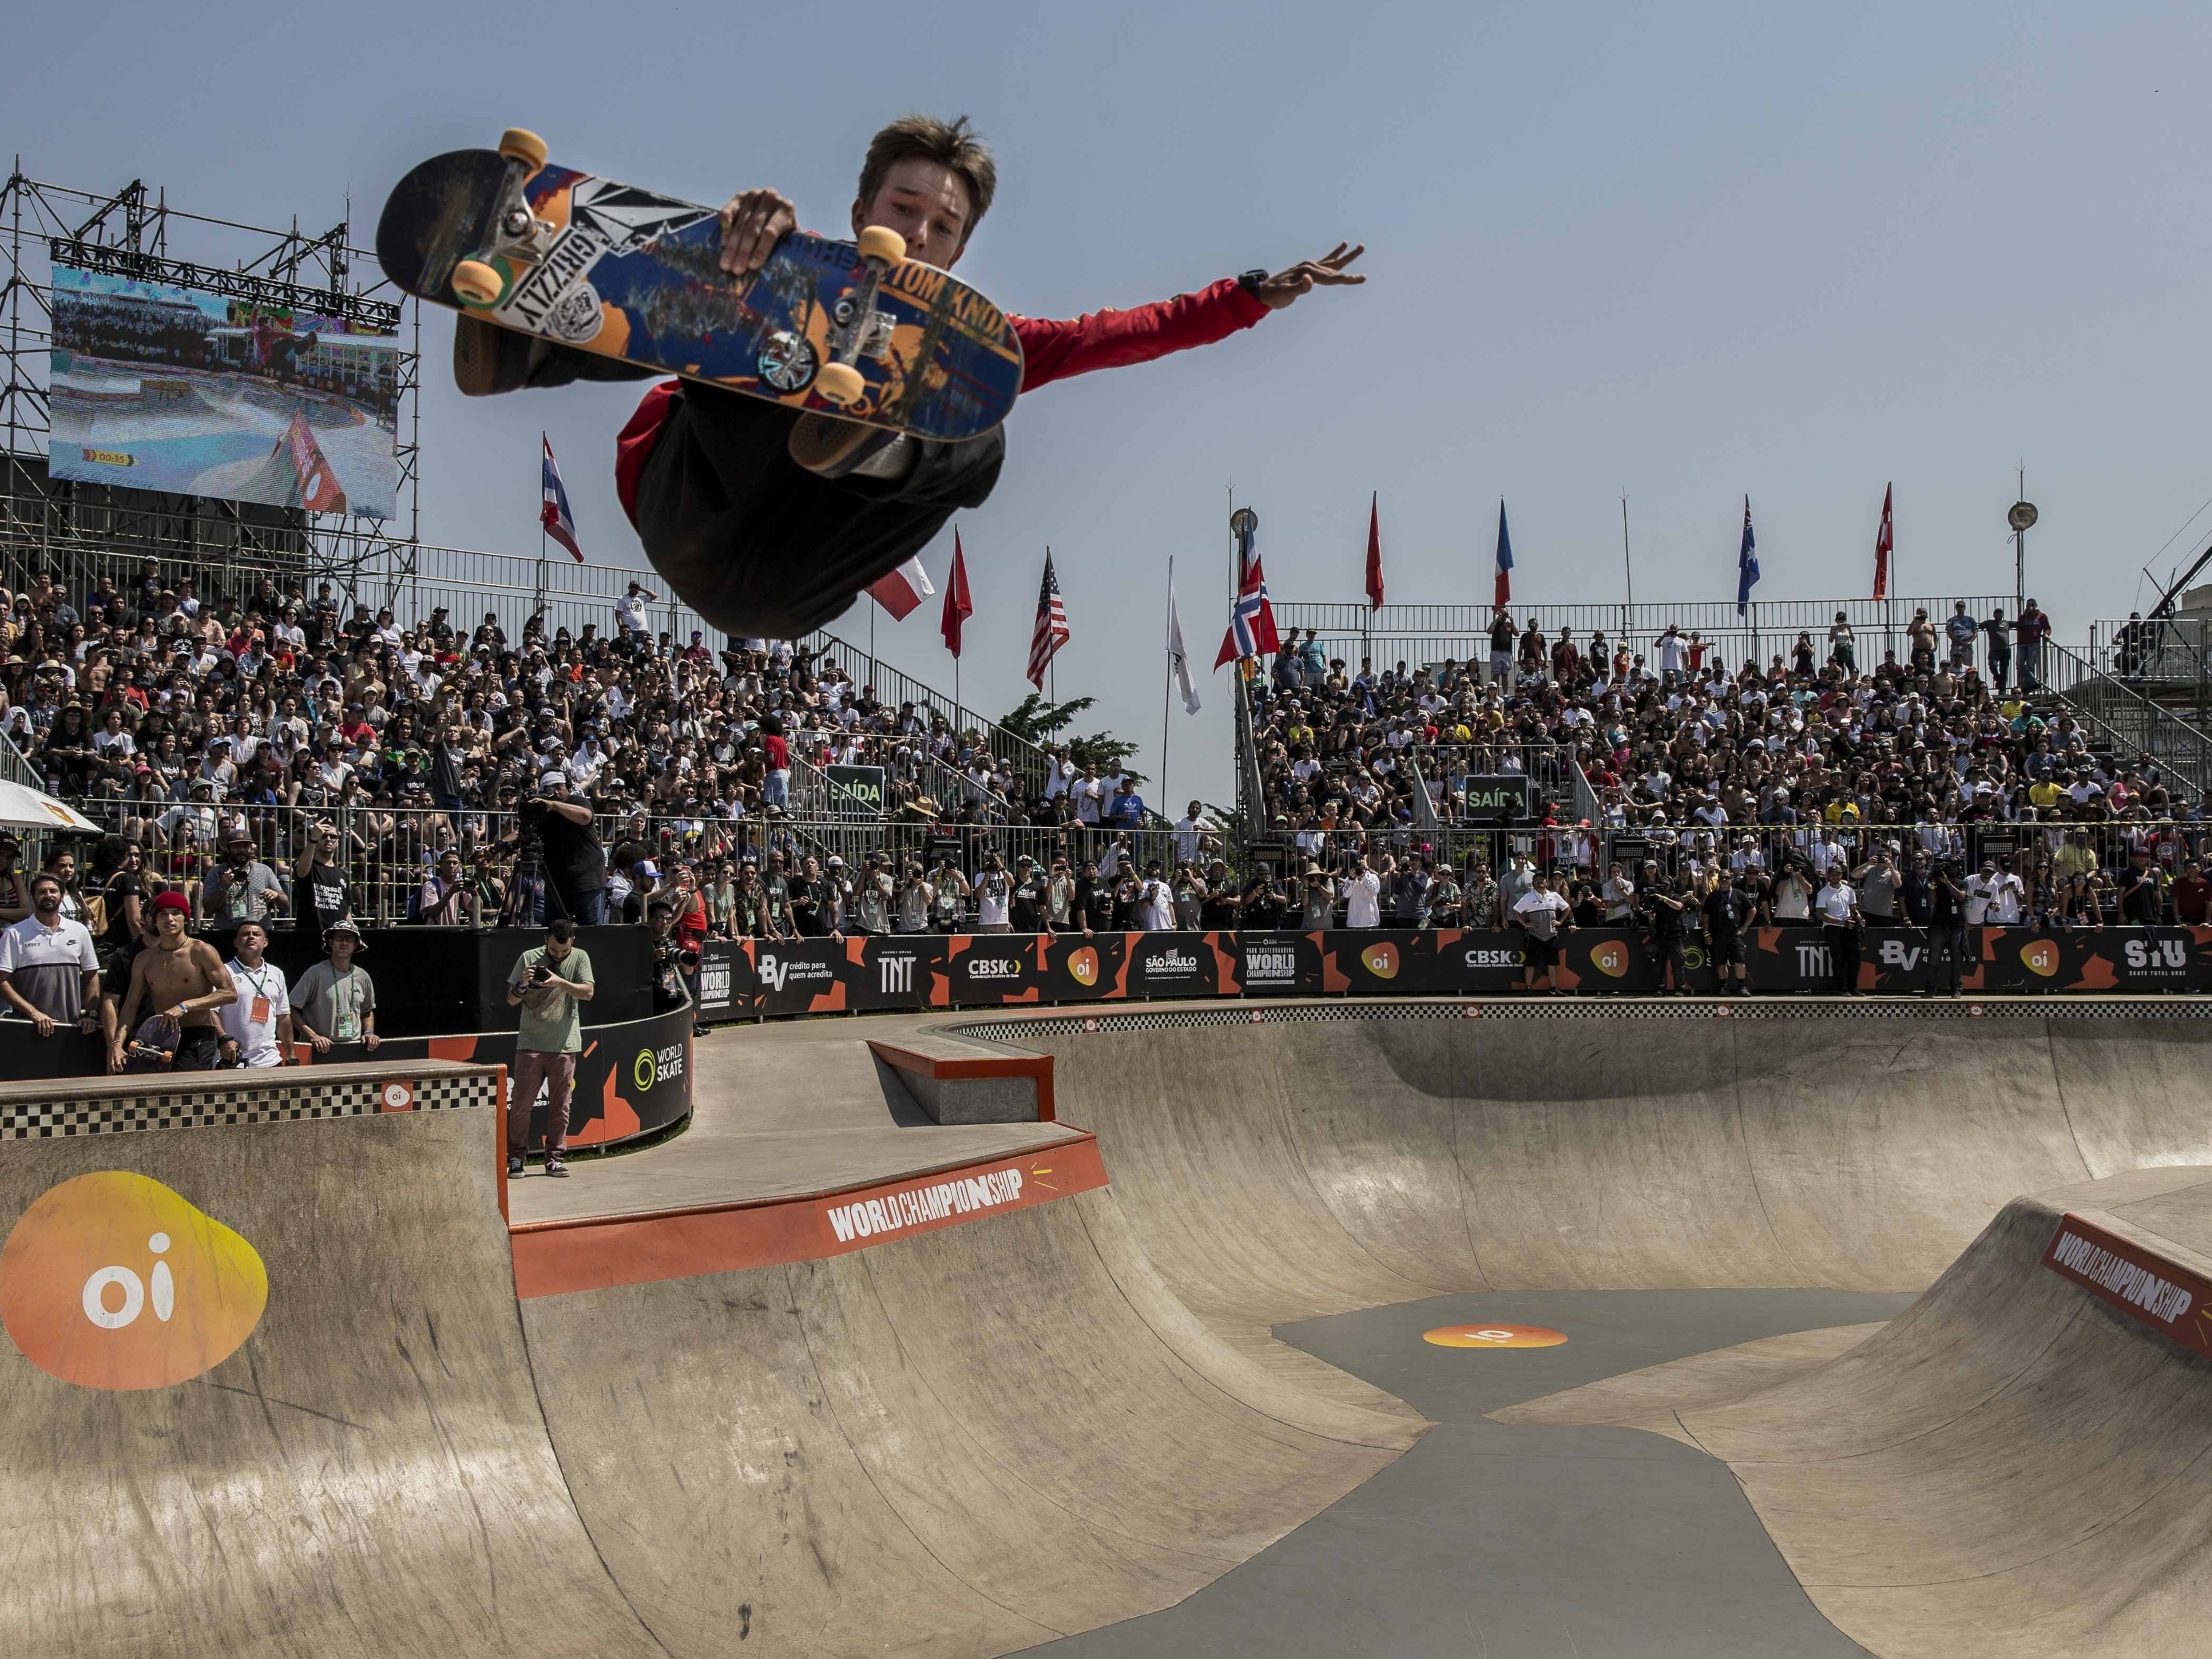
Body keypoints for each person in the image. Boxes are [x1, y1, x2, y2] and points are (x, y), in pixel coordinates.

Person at [461, 113, 1364, 639]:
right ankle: (517, 337)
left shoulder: (975, 342)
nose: (921, 231)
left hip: (796, 570)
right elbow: (701, 298)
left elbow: (1123, 335)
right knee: (748, 298)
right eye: (904, 208)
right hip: (696, 500)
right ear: (862, 212)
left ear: (962, 247)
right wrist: (735, 234)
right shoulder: (791, 277)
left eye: (942, 223)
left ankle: (868, 436)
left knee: (980, 412)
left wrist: (1248, 296)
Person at [506, 918, 595, 1178]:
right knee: (521, 1106)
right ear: (546, 940)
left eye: (563, 951)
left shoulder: (580, 958)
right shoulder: (528, 958)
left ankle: (554, 1158)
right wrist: (522, 984)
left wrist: (559, 982)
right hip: (531, 1044)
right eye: (554, 950)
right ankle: (516, 1158)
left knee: (561, 1105)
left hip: (565, 1045)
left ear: (572, 943)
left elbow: (588, 993)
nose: (558, 955)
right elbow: (511, 1000)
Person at [110, 890, 235, 1072]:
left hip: (197, 1034)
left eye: (176, 913)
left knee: (186, 1092)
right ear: (154, 920)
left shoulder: (201, 951)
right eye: (163, 914)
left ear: (186, 919)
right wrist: (117, 1042)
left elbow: (230, 993)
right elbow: (130, 1005)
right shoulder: (144, 959)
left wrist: (186, 1006)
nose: (169, 919)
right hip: (161, 1037)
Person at [0, 870, 100, 1039]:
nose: (48, 895)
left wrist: (91, 1015)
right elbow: (1, 980)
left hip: (70, 1028)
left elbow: (92, 975)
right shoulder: (14, 934)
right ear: (33, 897)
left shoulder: (79, 931)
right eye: (42, 892)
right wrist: (33, 1013)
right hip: (26, 1029)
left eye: (53, 891)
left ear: (62, 896)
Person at [523, 775, 609, 924]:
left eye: (559, 786)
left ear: (568, 787)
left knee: (590, 933)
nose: (556, 792)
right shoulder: (542, 811)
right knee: (554, 931)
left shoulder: (577, 801)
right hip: (556, 882)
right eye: (550, 788)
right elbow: (523, 832)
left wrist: (553, 805)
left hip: (586, 880)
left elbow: (585, 816)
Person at [290, 918, 380, 1054]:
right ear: (331, 942)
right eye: (339, 938)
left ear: (356, 945)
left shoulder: (363, 976)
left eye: (349, 939)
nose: (344, 943)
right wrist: (313, 1036)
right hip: (319, 1050)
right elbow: (291, 1009)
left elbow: (367, 1011)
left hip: (353, 1048)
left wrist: (369, 1032)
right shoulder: (315, 973)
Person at [217, 919, 291, 1068]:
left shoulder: (276, 973)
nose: (251, 937)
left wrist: (291, 1054)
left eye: (256, 934)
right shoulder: (223, 971)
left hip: (270, 1060)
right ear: (236, 942)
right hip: (232, 1060)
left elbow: (283, 1017)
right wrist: (224, 1039)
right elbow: (210, 1012)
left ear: (265, 942)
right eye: (245, 934)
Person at [204, 826, 288, 924]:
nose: (242, 850)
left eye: (245, 846)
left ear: (251, 849)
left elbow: (285, 904)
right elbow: (208, 909)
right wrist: (223, 888)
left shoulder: (264, 870)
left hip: (260, 930)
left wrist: (276, 895)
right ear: (228, 849)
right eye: (236, 847)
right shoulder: (216, 873)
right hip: (227, 931)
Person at [293, 820, 354, 948]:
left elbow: (346, 910)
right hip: (310, 937)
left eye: (333, 837)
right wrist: (313, 840)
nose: (329, 839)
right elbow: (302, 871)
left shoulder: (342, 874)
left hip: (337, 940)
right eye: (324, 836)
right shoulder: (308, 865)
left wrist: (353, 932)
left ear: (338, 842)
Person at [1510, 868, 1571, 993]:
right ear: (1533, 884)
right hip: (1535, 935)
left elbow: (1567, 908)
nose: (1540, 882)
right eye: (1537, 880)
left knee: (1553, 963)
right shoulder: (1528, 897)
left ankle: (1554, 988)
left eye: (1542, 880)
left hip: (1551, 935)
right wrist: (1525, 924)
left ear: (1546, 882)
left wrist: (1560, 922)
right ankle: (1528, 988)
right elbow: (1515, 911)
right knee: (1530, 963)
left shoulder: (1554, 896)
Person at [1640, 862, 1689, 994]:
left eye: (1666, 885)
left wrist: (1665, 899)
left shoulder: (1674, 896)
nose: (1664, 888)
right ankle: (1659, 988)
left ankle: (1680, 988)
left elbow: (1679, 906)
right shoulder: (1656, 899)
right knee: (1659, 964)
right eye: (1662, 885)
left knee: (1678, 963)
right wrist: (1651, 917)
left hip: (1675, 934)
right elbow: (1650, 910)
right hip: (1661, 934)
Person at [1702, 871, 1750, 996]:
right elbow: (1706, 916)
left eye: (1727, 878)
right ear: (1719, 880)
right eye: (1722, 878)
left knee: (1740, 961)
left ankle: (1742, 987)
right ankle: (1724, 987)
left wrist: (1746, 926)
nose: (1724, 881)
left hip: (1735, 934)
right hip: (1718, 934)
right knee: (1721, 962)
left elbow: (1753, 910)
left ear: (1731, 879)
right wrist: (1706, 933)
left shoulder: (1738, 894)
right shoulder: (1712, 896)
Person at [1816, 868, 1863, 995]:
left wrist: (1859, 918)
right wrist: (1840, 922)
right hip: (1832, 927)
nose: (1835, 877)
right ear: (1828, 876)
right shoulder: (1823, 893)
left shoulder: (1849, 890)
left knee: (1855, 958)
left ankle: (1853, 987)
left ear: (1841, 875)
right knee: (1838, 958)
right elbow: (1821, 914)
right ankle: (1843, 988)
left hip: (1848, 926)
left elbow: (1853, 909)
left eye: (1837, 875)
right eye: (1832, 875)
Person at [416, 847, 477, 925]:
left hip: (453, 931)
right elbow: (432, 913)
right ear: (441, 865)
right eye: (448, 863)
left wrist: (475, 894)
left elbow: (474, 908)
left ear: (460, 867)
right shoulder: (431, 885)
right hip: (434, 932)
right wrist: (451, 892)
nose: (452, 866)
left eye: (455, 863)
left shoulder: (461, 884)